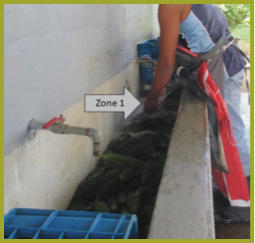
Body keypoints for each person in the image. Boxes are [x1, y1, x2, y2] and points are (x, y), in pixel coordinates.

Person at [144, 4, 250, 222]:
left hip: (223, 70)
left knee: (230, 137)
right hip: (229, 62)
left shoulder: (170, 6)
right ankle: (231, 192)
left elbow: (166, 64)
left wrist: (153, 97)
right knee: (226, 135)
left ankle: (244, 204)